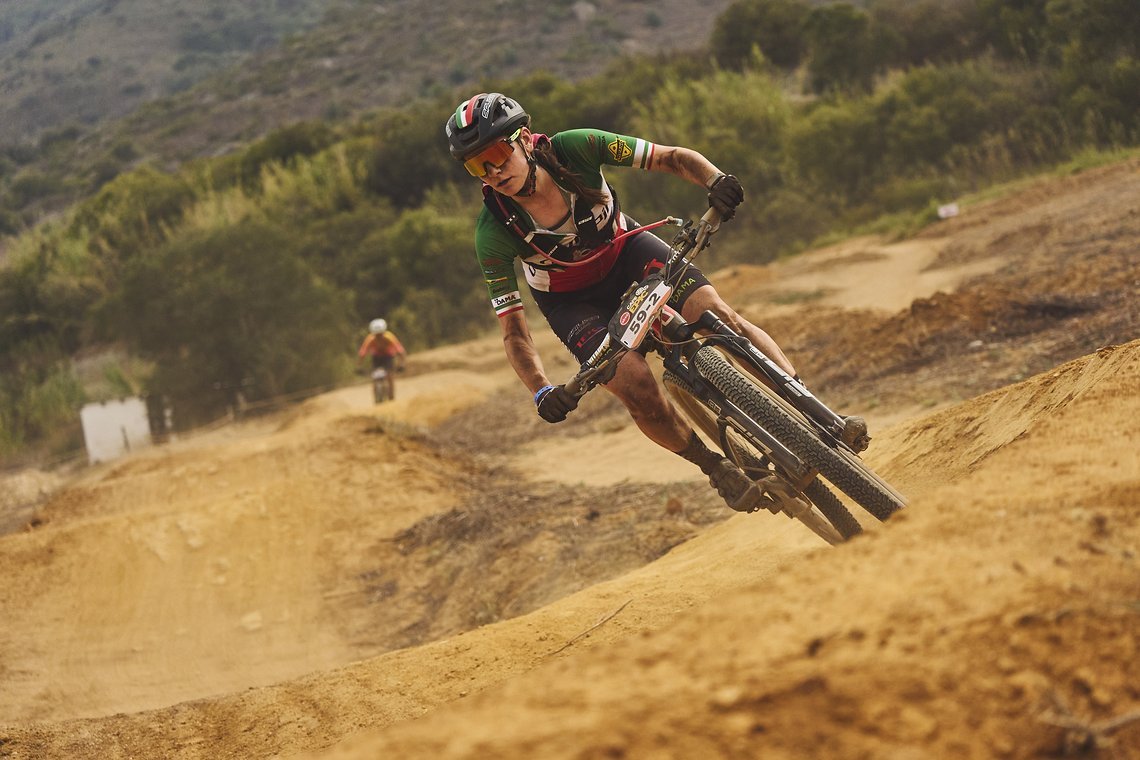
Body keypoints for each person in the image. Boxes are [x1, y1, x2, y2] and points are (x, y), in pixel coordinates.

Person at [444, 92, 865, 512]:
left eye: (498, 153)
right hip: (573, 302)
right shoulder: (493, 233)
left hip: (628, 253)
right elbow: (514, 331)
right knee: (635, 386)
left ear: (523, 138)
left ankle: (813, 413)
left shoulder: (578, 147)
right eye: (478, 166)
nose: (494, 171)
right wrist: (540, 391)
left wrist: (715, 180)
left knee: (718, 316)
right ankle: (714, 468)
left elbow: (671, 157)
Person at [357, 318, 407, 401]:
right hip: (376, 357)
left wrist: (402, 363)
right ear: (373, 334)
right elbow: (363, 352)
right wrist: (359, 366)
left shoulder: (390, 337)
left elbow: (400, 350)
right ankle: (376, 398)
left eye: (380, 334)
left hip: (388, 356)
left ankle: (391, 397)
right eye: (376, 335)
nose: (378, 337)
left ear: (384, 332)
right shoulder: (370, 339)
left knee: (390, 375)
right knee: (374, 377)